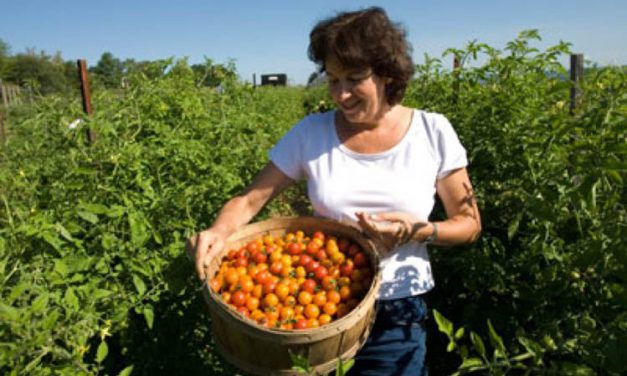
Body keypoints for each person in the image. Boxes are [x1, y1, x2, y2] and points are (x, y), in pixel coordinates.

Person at [189, 6, 481, 375]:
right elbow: (250, 200)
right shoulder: (311, 133)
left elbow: (469, 223)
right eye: (332, 79)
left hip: (396, 312)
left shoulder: (432, 132)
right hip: (313, 316)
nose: (341, 94)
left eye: (354, 78)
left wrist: (419, 231)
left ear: (387, 74)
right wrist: (218, 230)